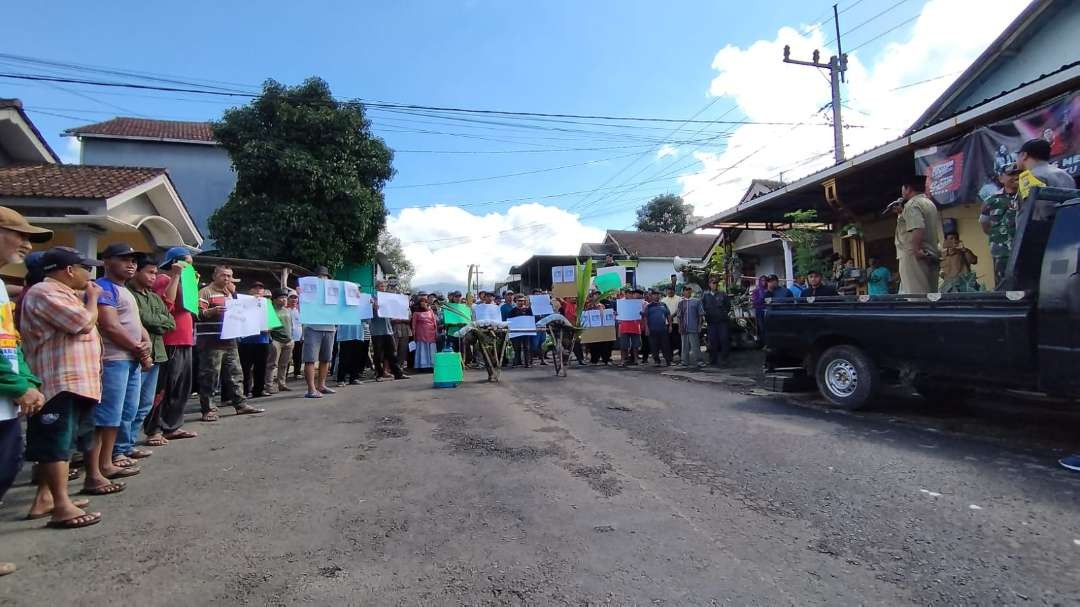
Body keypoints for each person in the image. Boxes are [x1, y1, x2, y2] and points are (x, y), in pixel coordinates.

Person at [21, 246, 115, 531]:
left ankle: (46, 498)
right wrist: (94, 299)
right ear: (69, 270)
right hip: (58, 381)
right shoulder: (44, 292)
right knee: (56, 445)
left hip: (77, 382)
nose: (91, 274)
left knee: (68, 442)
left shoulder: (64, 294)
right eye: (85, 268)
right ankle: (60, 506)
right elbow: (82, 324)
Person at [0, 211, 51, 551]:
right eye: (19, 234)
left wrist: (27, 381)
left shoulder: (1, 286)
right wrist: (18, 385)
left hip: (6, 403)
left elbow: (8, 341)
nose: (27, 244)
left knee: (6, 468)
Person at [95, 243, 153, 471]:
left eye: (134, 261)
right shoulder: (104, 287)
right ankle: (106, 462)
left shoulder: (124, 289)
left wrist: (145, 340)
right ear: (107, 262)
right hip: (114, 359)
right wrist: (139, 348)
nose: (131, 264)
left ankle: (117, 453)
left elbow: (134, 323)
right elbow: (110, 325)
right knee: (109, 414)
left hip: (130, 359)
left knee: (128, 410)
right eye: (124, 259)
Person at [197, 265, 264, 420]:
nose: (226, 278)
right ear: (215, 276)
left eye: (229, 276)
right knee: (210, 376)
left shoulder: (231, 294)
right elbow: (196, 314)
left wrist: (235, 294)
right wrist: (211, 312)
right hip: (211, 342)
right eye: (223, 275)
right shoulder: (205, 292)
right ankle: (208, 409)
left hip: (230, 340)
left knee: (235, 373)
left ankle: (240, 404)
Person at [147, 247, 199, 444]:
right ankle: (155, 429)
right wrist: (176, 275)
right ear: (175, 262)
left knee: (181, 387)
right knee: (165, 387)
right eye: (186, 262)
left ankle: (172, 425)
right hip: (171, 341)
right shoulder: (164, 279)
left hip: (185, 340)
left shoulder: (186, 282)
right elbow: (165, 304)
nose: (189, 267)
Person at [127, 254, 175, 455]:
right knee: (129, 405)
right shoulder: (128, 295)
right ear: (137, 271)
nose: (154, 277)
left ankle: (128, 445)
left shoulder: (154, 297)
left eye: (156, 273)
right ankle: (120, 448)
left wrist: (155, 321)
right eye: (150, 272)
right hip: (135, 356)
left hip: (158, 354)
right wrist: (158, 321)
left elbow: (171, 322)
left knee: (145, 404)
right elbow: (140, 319)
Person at [892, 174, 943, 294]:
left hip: (915, 255)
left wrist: (915, 250)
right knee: (931, 294)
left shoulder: (911, 205)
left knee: (917, 295)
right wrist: (901, 214)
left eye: (903, 188)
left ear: (908, 188)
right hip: (931, 252)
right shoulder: (928, 203)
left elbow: (918, 228)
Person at [980, 162, 1021, 287]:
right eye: (1011, 174)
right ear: (1001, 178)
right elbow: (985, 225)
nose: (1016, 177)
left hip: (1025, 250)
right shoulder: (991, 201)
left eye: (1018, 173)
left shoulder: (1027, 195)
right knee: (1004, 287)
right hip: (1002, 253)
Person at [303, 266, 338, 399]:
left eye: (325, 277)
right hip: (312, 328)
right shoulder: (308, 291)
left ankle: (321, 386)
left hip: (330, 328)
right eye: (320, 277)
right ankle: (311, 389)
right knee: (310, 359)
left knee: (326, 358)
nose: (323, 279)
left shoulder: (334, 292)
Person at [1016, 138, 1075, 212]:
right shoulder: (1066, 175)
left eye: (1018, 155)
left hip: (1044, 223)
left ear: (1024, 155)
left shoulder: (1029, 177)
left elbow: (1033, 213)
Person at [238, 283, 271, 398]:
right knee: (245, 368)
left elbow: (272, 322)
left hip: (262, 340)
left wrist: (268, 327)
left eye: (261, 288)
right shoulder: (242, 303)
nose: (258, 290)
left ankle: (259, 390)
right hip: (245, 341)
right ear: (249, 290)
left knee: (261, 367)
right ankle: (245, 391)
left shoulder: (267, 303)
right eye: (255, 288)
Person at [371, 281, 408, 381]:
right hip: (376, 330)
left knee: (392, 353)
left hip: (388, 330)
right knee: (378, 354)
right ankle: (378, 374)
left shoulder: (387, 298)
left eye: (384, 286)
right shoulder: (372, 299)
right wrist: (373, 308)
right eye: (381, 286)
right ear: (376, 288)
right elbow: (368, 313)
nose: (383, 288)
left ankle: (398, 374)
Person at [266, 288, 295, 392]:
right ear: (274, 299)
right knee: (272, 364)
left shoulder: (287, 310)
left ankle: (282, 384)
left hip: (288, 340)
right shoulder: (270, 310)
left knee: (284, 364)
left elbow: (290, 325)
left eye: (285, 298)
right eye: (281, 298)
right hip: (276, 340)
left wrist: (292, 339)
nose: (284, 300)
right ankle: (269, 385)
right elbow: (268, 326)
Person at [701, 276, 731, 366]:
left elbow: (728, 306)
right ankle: (713, 360)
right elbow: (702, 308)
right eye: (713, 283)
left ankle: (725, 359)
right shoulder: (705, 296)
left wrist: (723, 313)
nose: (715, 285)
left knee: (724, 340)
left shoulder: (723, 294)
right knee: (712, 341)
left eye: (716, 283)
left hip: (722, 322)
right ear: (709, 284)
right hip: (711, 323)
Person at [676, 286, 705, 368]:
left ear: (691, 291)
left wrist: (699, 326)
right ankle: (684, 361)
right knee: (684, 345)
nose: (688, 292)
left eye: (689, 290)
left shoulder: (697, 301)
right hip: (684, 327)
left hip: (694, 327)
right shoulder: (681, 303)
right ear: (683, 292)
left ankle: (699, 361)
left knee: (695, 345)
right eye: (686, 290)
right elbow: (679, 316)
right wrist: (679, 326)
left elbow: (700, 315)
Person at [643, 291, 672, 366]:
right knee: (654, 346)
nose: (656, 296)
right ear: (652, 296)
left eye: (657, 295)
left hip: (663, 329)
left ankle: (668, 361)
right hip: (652, 330)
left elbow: (668, 315)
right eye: (655, 295)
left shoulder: (663, 305)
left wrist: (670, 325)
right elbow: (645, 317)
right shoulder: (648, 306)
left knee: (666, 345)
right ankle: (657, 361)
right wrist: (646, 328)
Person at [411, 296, 438, 372]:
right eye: (422, 304)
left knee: (431, 349)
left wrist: (435, 332)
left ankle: (432, 365)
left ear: (427, 304)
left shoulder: (430, 311)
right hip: (421, 334)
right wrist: (414, 334)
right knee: (422, 349)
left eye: (425, 303)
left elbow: (434, 322)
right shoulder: (416, 313)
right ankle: (422, 366)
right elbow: (414, 324)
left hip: (431, 333)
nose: (423, 305)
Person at [508, 295, 534, 367]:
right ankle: (517, 362)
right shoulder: (512, 311)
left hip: (526, 331)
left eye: (522, 301)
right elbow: (510, 321)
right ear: (516, 302)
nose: (521, 302)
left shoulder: (528, 310)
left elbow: (532, 319)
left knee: (527, 347)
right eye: (519, 301)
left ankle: (527, 363)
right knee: (516, 348)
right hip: (516, 332)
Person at [661, 286, 682, 361]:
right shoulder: (663, 300)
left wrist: (672, 316)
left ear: (674, 291)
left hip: (677, 323)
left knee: (678, 341)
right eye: (668, 290)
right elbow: (662, 311)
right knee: (668, 341)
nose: (670, 292)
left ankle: (681, 357)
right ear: (666, 291)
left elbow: (679, 309)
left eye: (671, 290)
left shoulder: (679, 299)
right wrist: (668, 317)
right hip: (667, 323)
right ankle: (670, 358)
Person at [287, 292, 303, 379]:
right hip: (288, 337)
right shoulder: (285, 310)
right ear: (288, 300)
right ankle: (284, 373)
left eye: (295, 298)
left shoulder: (300, 311)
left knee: (298, 355)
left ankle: (297, 372)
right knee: (287, 357)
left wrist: (303, 336)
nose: (294, 299)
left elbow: (303, 324)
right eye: (291, 298)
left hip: (298, 336)